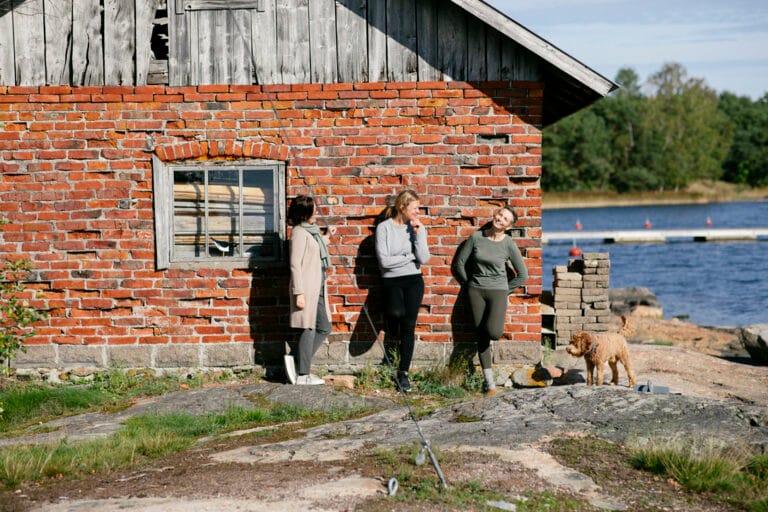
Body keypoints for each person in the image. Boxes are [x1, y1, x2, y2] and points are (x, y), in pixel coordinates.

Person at [452, 206, 529, 395]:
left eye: (505, 219)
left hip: (498, 292)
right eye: (500, 215)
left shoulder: (508, 243)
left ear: (508, 226)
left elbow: (523, 275)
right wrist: (468, 284)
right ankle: (490, 384)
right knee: (481, 336)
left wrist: (505, 291)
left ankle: (489, 380)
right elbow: (459, 263)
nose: (500, 219)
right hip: (475, 291)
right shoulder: (476, 238)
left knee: (494, 332)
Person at [375, 189, 430, 393]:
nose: (418, 212)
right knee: (395, 315)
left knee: (409, 326)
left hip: (414, 280)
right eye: (415, 208)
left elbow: (423, 259)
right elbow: (385, 261)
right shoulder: (384, 228)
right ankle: (393, 335)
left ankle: (403, 373)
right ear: (402, 207)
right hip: (391, 280)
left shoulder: (417, 228)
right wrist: (409, 257)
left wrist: (417, 236)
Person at [287, 195, 334, 385]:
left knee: (325, 326)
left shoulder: (310, 232)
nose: (316, 211)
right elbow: (295, 265)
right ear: (305, 213)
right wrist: (298, 292)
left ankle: (298, 360)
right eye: (313, 209)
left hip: (318, 286)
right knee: (308, 327)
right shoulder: (298, 233)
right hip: (306, 288)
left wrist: (327, 237)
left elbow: (316, 247)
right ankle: (303, 374)